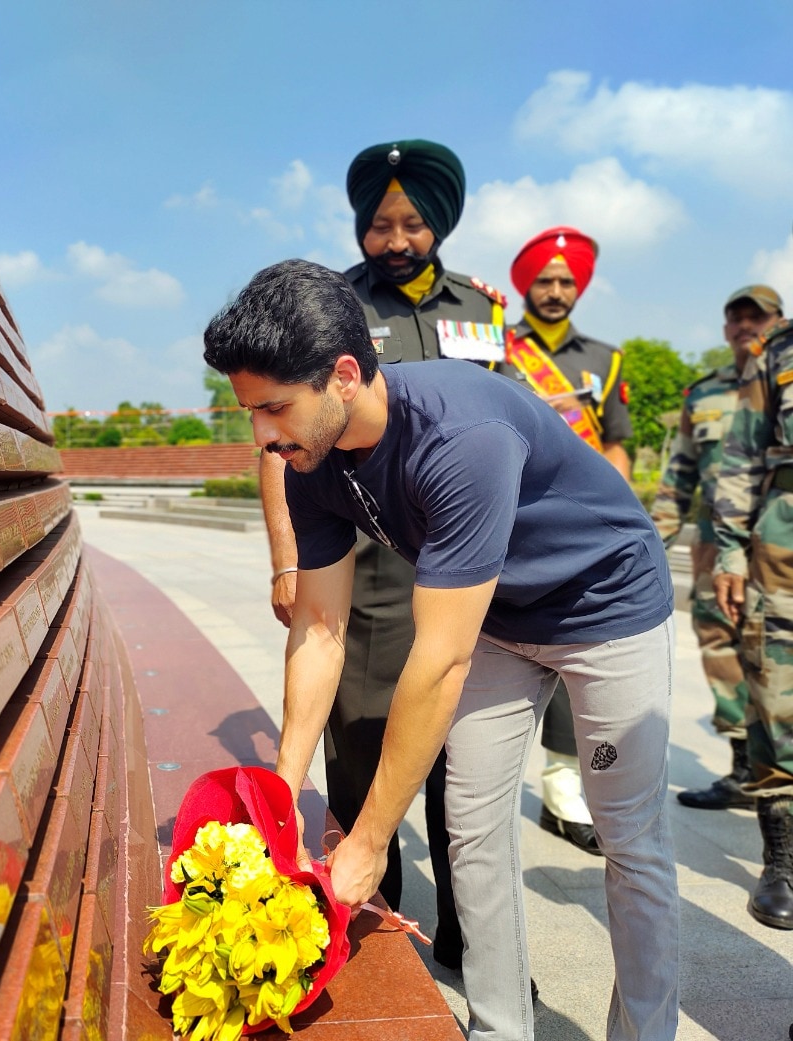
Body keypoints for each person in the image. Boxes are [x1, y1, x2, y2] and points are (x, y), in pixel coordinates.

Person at [204, 258, 679, 1041]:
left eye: (276, 408)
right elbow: (320, 628)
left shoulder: (461, 437)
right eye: (251, 411)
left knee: (629, 838)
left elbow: (439, 662)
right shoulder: (307, 461)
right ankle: (500, 1029)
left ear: (344, 376)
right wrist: (281, 791)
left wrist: (366, 841)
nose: (263, 435)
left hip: (605, 604)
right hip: (501, 615)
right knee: (472, 824)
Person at [258, 139, 506, 970]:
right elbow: (278, 445)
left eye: (412, 222)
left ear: (439, 222)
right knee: (363, 745)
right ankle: (369, 920)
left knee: (461, 764)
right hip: (361, 562)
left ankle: (476, 938)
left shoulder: (483, 308)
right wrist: (287, 557)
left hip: (465, 561)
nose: (395, 239)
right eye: (380, 225)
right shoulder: (325, 309)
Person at [503, 226, 634, 855]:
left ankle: (563, 787)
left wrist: (621, 515)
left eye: (565, 282)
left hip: (583, 522)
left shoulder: (606, 358)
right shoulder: (497, 349)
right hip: (512, 514)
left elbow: (616, 442)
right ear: (526, 287)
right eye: (544, 281)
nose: (555, 292)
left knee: (579, 644)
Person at [653, 285, 783, 811]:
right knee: (721, 647)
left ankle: (778, 763)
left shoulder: (782, 377)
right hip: (714, 540)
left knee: (779, 653)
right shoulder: (703, 394)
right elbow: (678, 475)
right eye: (737, 318)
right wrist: (651, 541)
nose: (746, 326)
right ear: (726, 328)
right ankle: (743, 767)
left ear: (778, 321)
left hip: (779, 538)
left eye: (759, 317)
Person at [711, 305, 793, 930]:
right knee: (777, 695)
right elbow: (741, 452)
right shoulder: (777, 352)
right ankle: (783, 859)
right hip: (782, 547)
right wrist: (731, 549)